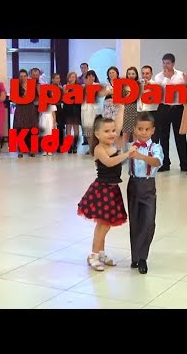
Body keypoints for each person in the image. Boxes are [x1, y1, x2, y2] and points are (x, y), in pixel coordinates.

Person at [77, 115, 136, 271]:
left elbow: (119, 123)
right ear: (97, 134)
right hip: (102, 191)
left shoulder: (113, 145)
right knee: (102, 226)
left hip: (112, 190)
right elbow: (110, 162)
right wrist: (127, 154)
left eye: (113, 131)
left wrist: (122, 106)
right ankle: (93, 255)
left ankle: (101, 253)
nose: (111, 134)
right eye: (106, 131)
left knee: (106, 225)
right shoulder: (99, 149)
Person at [127, 112, 163, 274]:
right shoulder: (130, 146)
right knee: (135, 221)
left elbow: (156, 161)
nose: (143, 132)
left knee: (149, 222)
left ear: (152, 131)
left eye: (147, 129)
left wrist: (140, 156)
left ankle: (143, 257)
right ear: (134, 129)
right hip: (133, 184)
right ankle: (136, 257)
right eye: (140, 129)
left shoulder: (155, 147)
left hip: (148, 185)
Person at [153, 53, 187, 172]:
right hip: (164, 107)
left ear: (173, 63)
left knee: (180, 136)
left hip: (178, 108)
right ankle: (165, 163)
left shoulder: (180, 75)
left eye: (168, 63)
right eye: (163, 63)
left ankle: (184, 164)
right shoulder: (158, 77)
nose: (165, 65)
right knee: (164, 137)